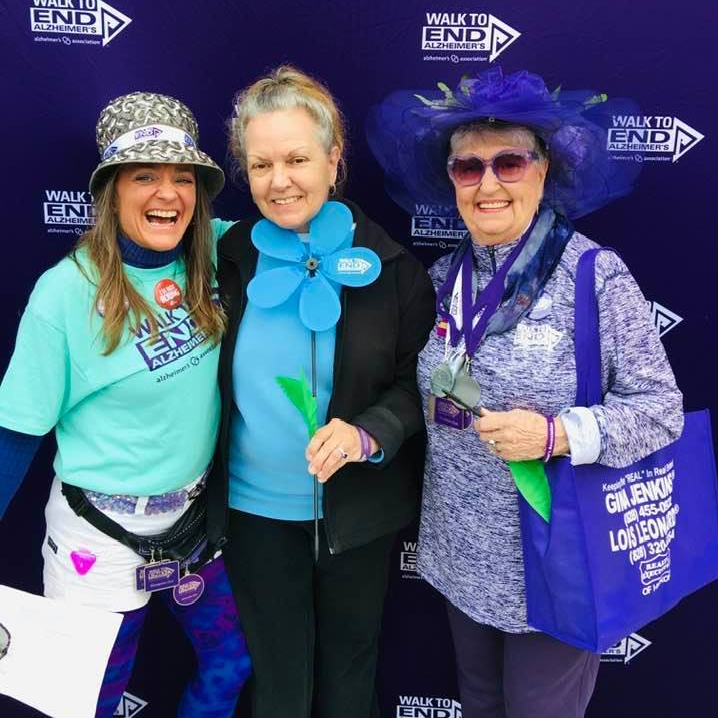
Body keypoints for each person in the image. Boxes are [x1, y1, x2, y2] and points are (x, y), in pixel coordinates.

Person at [367, 67, 684, 717]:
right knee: (480, 704)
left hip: (558, 562)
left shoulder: (594, 276)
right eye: (468, 168)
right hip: (461, 555)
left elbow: (660, 412)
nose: (488, 184)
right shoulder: (443, 276)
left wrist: (554, 434)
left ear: (545, 171)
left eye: (509, 163)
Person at [0, 91, 250, 717]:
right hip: (99, 536)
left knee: (232, 660)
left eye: (182, 178)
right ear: (111, 191)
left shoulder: (217, 253)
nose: (168, 194)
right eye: (144, 177)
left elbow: (301, 229)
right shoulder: (64, 293)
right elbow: (16, 433)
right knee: (87, 700)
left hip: (193, 524)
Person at [217, 65, 435, 718]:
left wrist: (369, 432)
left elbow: (417, 386)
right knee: (280, 689)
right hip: (254, 516)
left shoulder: (393, 269)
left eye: (296, 159)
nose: (279, 180)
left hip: (358, 517)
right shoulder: (228, 257)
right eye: (261, 165)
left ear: (333, 159)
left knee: (348, 682)